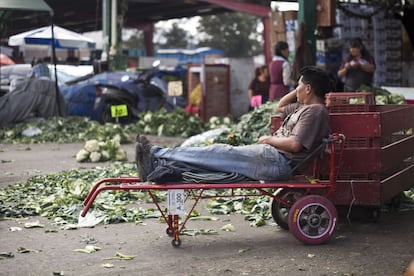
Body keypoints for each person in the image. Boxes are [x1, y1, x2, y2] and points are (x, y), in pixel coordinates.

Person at [135, 66, 331, 183]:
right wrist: (298, 88)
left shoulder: (316, 111)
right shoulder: (302, 107)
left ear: (308, 88)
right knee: (215, 159)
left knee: (217, 153)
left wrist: (268, 139)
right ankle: (159, 163)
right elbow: (281, 106)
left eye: (299, 86)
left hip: (277, 160)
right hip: (271, 157)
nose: (296, 90)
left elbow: (296, 145)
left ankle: (156, 153)